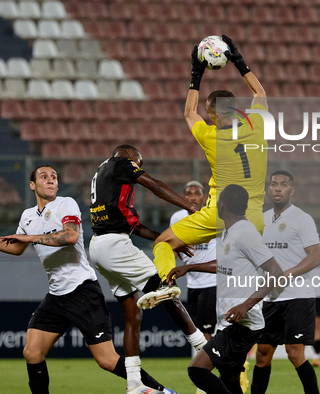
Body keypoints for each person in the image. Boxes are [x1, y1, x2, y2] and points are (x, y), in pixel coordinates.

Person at [0, 165, 172, 394]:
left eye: (54, 177)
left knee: (107, 360)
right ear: (33, 185)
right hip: (56, 296)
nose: (51, 180)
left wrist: (31, 237)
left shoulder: (65, 204)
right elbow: (15, 247)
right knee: (32, 352)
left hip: (83, 292)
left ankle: (161, 391)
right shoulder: (28, 216)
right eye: (44, 177)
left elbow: (70, 236)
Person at [138, 35, 268, 309]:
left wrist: (196, 74)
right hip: (253, 215)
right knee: (240, 271)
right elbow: (259, 94)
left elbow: (189, 113)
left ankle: (166, 283)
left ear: (215, 115)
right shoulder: (257, 124)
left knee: (163, 242)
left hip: (217, 213)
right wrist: (238, 60)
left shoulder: (210, 136)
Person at [88, 145, 209, 391]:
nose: (138, 169)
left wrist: (165, 240)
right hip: (115, 245)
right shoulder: (122, 161)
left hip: (99, 248)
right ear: (132, 157)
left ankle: (133, 382)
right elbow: (155, 184)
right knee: (165, 289)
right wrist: (188, 206)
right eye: (138, 164)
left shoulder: (104, 176)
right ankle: (204, 347)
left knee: (133, 314)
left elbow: (136, 227)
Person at [170, 184, 283, 394]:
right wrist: (190, 267)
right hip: (229, 321)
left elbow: (276, 272)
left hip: (243, 324)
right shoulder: (230, 233)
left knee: (197, 370)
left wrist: (246, 305)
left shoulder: (245, 233)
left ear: (222, 206)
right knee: (230, 380)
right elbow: (223, 265)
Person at [250, 170, 320, 394]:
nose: (278, 188)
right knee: (262, 354)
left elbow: (315, 257)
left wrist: (286, 274)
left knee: (294, 353)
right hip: (271, 298)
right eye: (273, 184)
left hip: (298, 295)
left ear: (292, 190)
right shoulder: (261, 219)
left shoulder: (302, 218)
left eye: (283, 184)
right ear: (268, 190)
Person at [168, 180, 217, 342]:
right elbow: (173, 248)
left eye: (197, 194)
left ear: (204, 198)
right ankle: (205, 365)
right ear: (183, 198)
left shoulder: (213, 217)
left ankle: (205, 367)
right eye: (189, 194)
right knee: (196, 332)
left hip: (212, 283)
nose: (193, 198)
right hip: (192, 284)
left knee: (205, 333)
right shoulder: (177, 218)